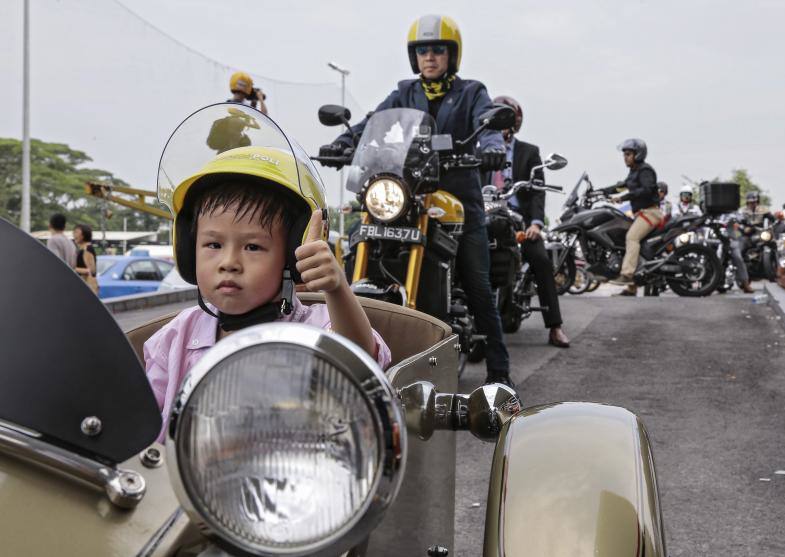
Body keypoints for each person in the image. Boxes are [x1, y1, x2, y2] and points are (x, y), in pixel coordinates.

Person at [145, 107, 390, 441]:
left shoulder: (315, 328)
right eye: (213, 244)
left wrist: (336, 289)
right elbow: (143, 431)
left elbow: (359, 359)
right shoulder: (174, 339)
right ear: (188, 249)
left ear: (291, 253)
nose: (229, 262)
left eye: (253, 247)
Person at [318, 15, 513, 386]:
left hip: (458, 198)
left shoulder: (472, 92)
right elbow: (372, 122)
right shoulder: (404, 92)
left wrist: (492, 148)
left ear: (451, 55)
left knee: (477, 283)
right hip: (405, 194)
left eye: (438, 49)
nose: (430, 56)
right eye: (423, 50)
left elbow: (486, 124)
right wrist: (344, 142)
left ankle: (499, 370)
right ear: (414, 56)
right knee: (356, 244)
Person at [490, 95, 569, 348]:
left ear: (514, 123)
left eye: (503, 119)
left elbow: (537, 191)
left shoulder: (529, 152)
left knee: (541, 261)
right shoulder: (480, 151)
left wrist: (535, 223)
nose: (498, 125)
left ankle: (555, 326)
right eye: (494, 118)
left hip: (518, 220)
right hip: (486, 216)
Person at [601, 138, 662, 296]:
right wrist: (601, 191)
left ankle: (627, 275)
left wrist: (623, 198)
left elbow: (647, 190)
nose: (625, 157)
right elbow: (621, 186)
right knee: (625, 240)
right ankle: (632, 288)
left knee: (632, 238)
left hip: (650, 213)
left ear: (638, 154)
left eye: (628, 154)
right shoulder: (633, 172)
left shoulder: (645, 170)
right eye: (624, 155)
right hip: (641, 214)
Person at [72, 224, 98, 294]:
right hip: (82, 286)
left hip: (86, 287)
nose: (74, 235)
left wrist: (72, 269)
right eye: (74, 232)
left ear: (84, 235)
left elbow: (91, 271)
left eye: (76, 232)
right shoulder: (82, 249)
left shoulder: (87, 249)